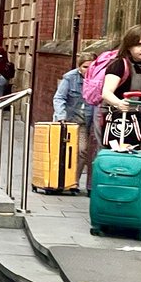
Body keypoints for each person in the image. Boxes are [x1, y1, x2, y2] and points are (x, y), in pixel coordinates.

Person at [101, 24, 141, 149]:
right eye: (139, 44)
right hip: (118, 119)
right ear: (129, 46)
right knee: (118, 158)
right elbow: (106, 92)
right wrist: (119, 103)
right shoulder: (119, 64)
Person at [53, 51, 97, 192]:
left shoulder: (98, 80)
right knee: (63, 151)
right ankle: (59, 180)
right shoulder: (70, 78)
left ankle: (73, 181)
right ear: (79, 67)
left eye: (92, 67)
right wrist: (61, 116)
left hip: (85, 122)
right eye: (85, 67)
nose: (88, 70)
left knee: (82, 151)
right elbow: (59, 97)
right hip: (69, 120)